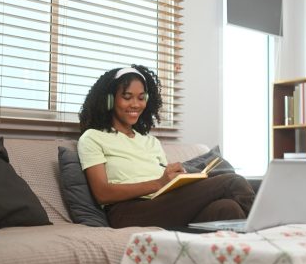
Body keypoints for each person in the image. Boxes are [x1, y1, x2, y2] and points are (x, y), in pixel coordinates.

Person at [77, 65, 255, 229]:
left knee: (227, 209)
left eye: (141, 98)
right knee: (233, 181)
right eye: (127, 97)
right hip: (127, 211)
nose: (135, 104)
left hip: (163, 204)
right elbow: (102, 193)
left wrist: (177, 181)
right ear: (109, 100)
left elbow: (164, 184)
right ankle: (271, 234)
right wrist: (159, 183)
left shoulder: (150, 142)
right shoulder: (93, 138)